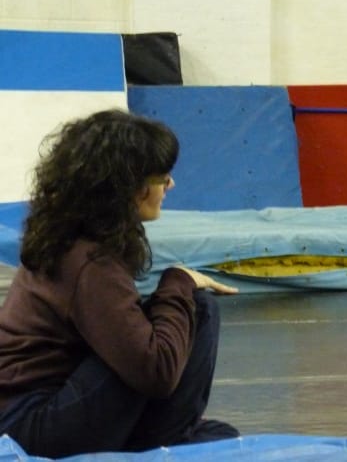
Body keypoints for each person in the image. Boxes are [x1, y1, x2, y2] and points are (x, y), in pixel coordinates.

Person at [0, 109, 241, 457]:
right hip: (32, 426)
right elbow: (155, 371)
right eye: (162, 177)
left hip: (28, 412)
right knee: (197, 308)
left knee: (221, 434)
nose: (170, 185)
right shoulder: (91, 263)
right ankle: (167, 441)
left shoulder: (72, 235)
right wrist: (179, 280)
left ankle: (170, 438)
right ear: (129, 188)